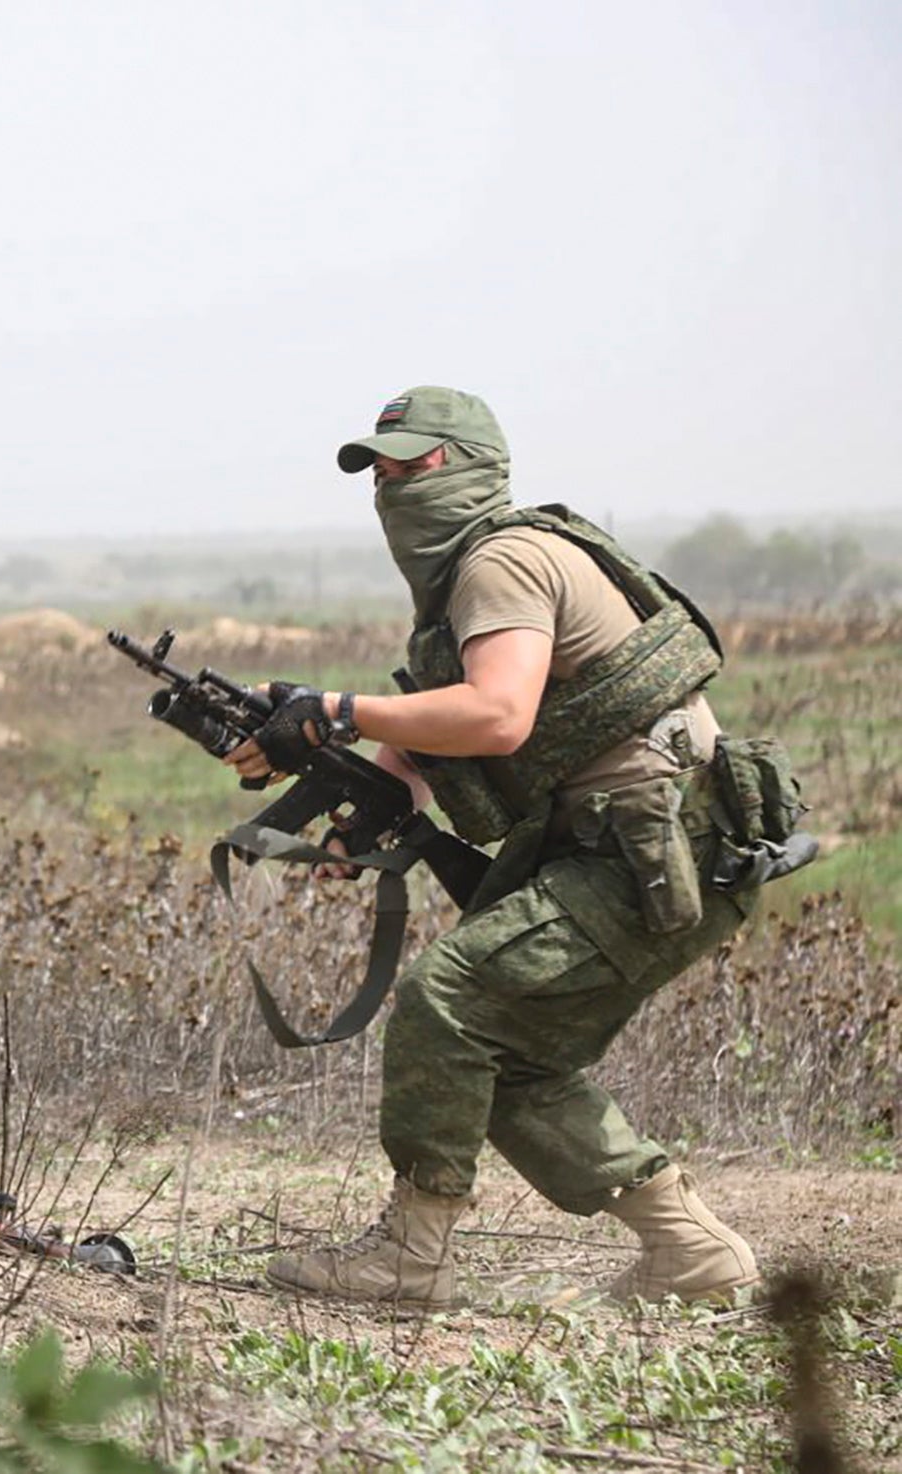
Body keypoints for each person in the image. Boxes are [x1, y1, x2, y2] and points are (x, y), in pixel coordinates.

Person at [229, 385, 767, 1308]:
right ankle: (692, 1253)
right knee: (507, 1056)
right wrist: (360, 804)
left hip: (654, 847)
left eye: (415, 463)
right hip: (649, 846)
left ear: (471, 467)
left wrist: (335, 711)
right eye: (380, 471)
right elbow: (436, 739)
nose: (393, 485)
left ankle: (412, 1253)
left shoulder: (502, 563)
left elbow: (498, 714)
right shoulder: (472, 585)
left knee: (449, 999)